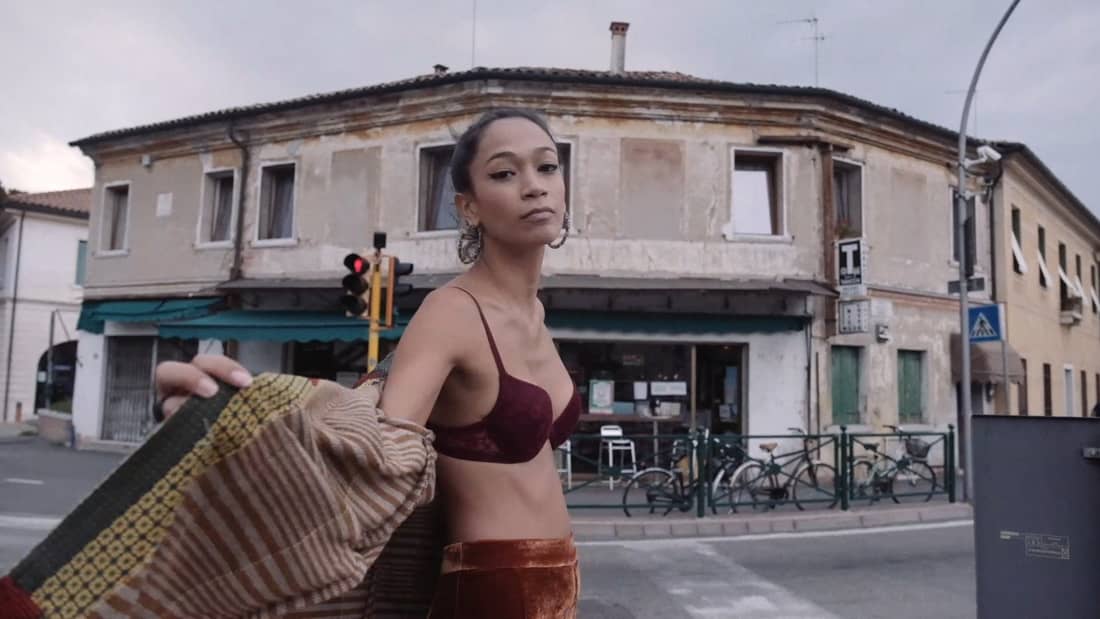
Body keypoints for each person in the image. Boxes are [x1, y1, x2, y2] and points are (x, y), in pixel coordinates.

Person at [153, 108, 581, 618]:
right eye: (505, 173)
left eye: (547, 167)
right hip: (491, 591)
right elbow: (371, 455)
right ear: (468, 208)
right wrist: (240, 426)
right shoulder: (452, 313)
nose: (534, 186)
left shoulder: (536, 315)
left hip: (561, 578)